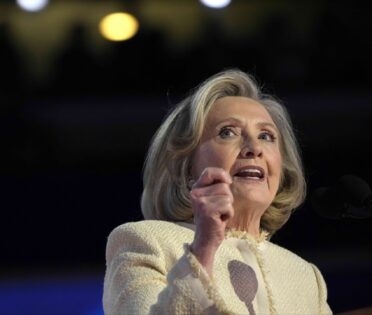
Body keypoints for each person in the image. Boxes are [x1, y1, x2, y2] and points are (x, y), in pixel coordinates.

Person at [103, 69, 332, 314]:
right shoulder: (147, 242)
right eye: (227, 132)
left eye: (266, 136)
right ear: (186, 167)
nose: (254, 148)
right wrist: (203, 248)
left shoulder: (305, 276)